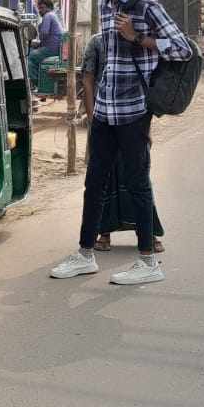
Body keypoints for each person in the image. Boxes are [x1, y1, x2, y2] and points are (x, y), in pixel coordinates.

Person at [51, 0, 192, 285]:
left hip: (134, 110)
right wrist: (93, 108)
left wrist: (140, 39)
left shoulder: (147, 6)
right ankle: (86, 254)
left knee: (137, 183)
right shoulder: (105, 2)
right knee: (93, 183)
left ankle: (148, 262)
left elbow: (183, 48)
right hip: (105, 111)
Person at [80, 33, 166, 254]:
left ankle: (148, 235)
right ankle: (103, 234)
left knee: (138, 180)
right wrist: (93, 122)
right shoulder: (97, 42)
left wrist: (147, 128)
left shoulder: (140, 42)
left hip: (134, 120)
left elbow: (148, 87)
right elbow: (88, 81)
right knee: (102, 181)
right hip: (105, 121)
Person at [28, 0, 64, 95]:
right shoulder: (53, 16)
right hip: (55, 48)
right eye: (39, 8)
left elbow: (44, 33)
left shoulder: (48, 16)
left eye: (42, 8)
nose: (40, 11)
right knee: (34, 54)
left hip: (51, 48)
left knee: (30, 57)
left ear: (48, 8)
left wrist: (37, 44)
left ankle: (38, 85)